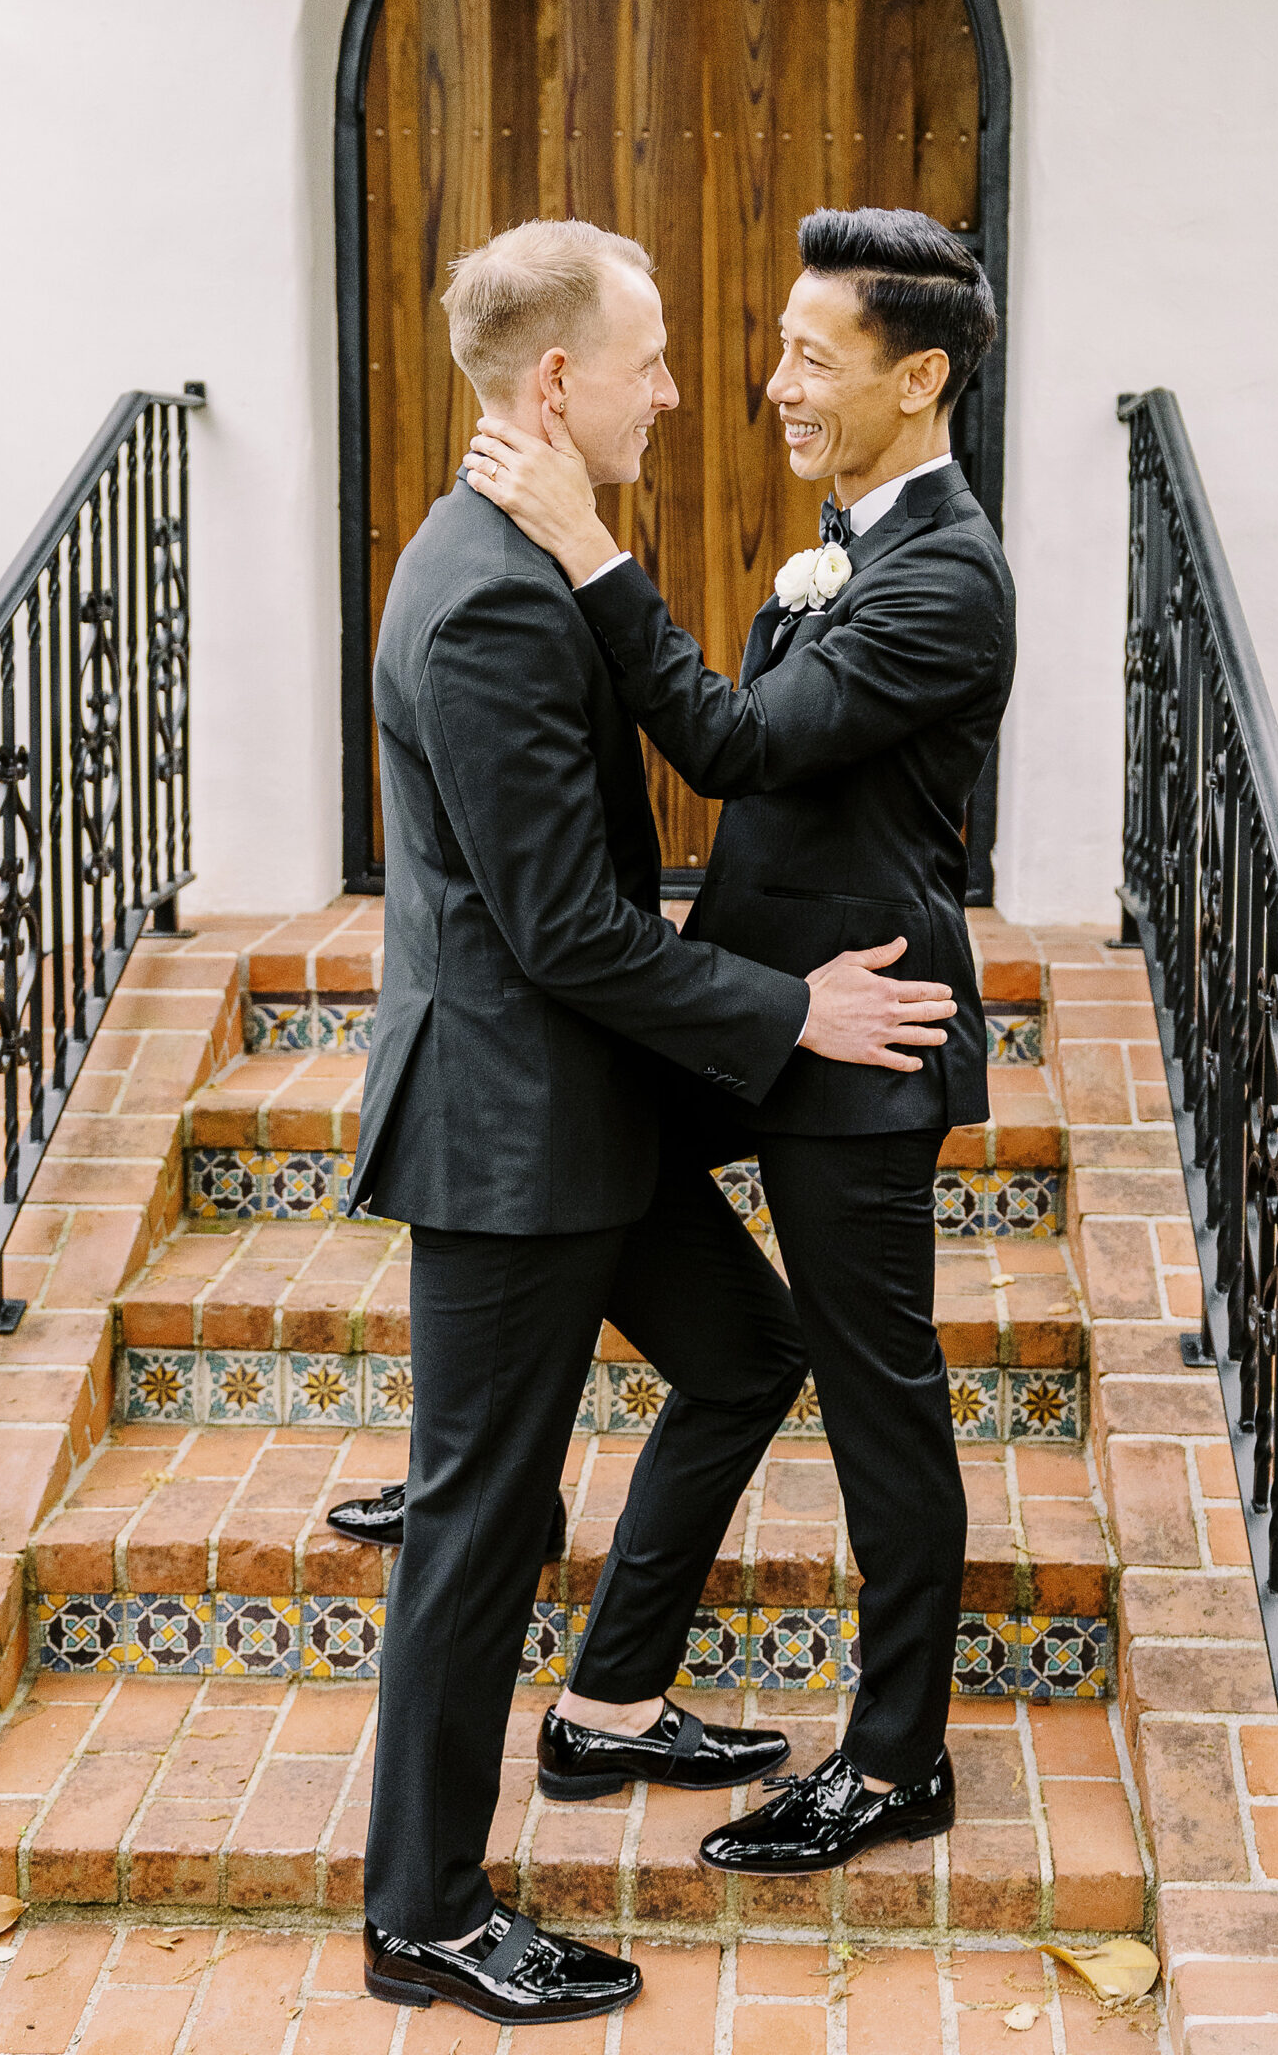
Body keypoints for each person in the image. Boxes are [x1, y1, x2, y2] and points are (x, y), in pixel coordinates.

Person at [351, 218, 958, 2029]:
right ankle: (428, 1913)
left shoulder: (537, 567)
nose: (680, 391)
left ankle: (608, 1707)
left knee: (743, 1350)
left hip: (590, 1118)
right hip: (511, 1139)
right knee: (481, 1515)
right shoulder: (482, 601)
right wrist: (795, 1012)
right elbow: (559, 930)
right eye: (655, 359)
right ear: (557, 383)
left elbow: (700, 744)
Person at [467, 204, 1016, 1880]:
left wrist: (587, 546)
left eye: (810, 356)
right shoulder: (844, 536)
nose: (770, 382)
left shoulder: (947, 580)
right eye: (776, 343)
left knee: (878, 1405)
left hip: (857, 1043)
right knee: (602, 1211)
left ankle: (897, 1758)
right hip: (749, 1016)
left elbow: (728, 747)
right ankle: (571, 1648)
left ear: (917, 379)